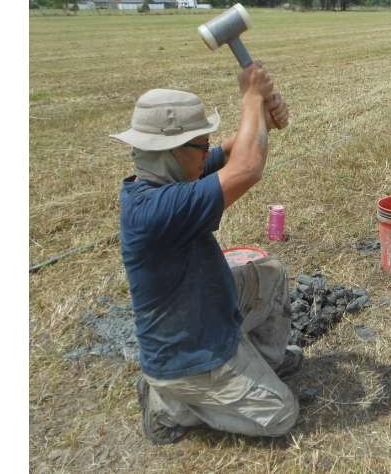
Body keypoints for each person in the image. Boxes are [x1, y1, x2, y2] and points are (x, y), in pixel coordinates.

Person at [110, 63, 301, 445]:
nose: (207, 152)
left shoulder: (173, 176)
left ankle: (263, 363)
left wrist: (261, 116)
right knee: (282, 415)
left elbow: (234, 151)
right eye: (200, 144)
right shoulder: (155, 209)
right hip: (187, 356)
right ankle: (170, 405)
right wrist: (250, 95)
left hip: (204, 312)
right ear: (173, 151)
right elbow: (246, 167)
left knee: (269, 273)